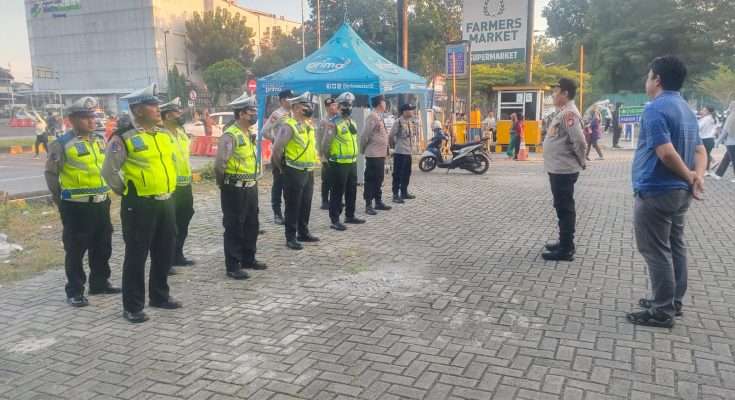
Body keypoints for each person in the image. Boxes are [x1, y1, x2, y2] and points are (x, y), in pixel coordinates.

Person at [626, 56, 706, 328]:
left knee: (655, 250)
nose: (647, 81)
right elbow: (700, 150)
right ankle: (673, 301)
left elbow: (666, 153)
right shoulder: (686, 109)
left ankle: (662, 310)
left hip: (656, 190)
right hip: (681, 194)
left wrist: (689, 175)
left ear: (657, 80)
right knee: (675, 245)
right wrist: (696, 177)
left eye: (649, 76)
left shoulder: (655, 109)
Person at [102, 84, 181, 323]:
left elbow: (171, 163)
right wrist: (128, 191)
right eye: (152, 105)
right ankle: (133, 306)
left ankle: (159, 295)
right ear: (138, 110)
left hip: (165, 200)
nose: (158, 109)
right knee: (137, 256)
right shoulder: (124, 137)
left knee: (164, 251)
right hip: (139, 205)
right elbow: (109, 171)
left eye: (157, 105)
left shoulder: (163, 135)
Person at [44, 97, 119, 307]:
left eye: (92, 116)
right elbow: (51, 174)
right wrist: (61, 201)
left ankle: (100, 282)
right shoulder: (61, 144)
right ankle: (75, 290)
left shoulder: (99, 140)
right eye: (85, 117)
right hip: (76, 206)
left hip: (101, 203)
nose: (91, 121)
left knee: (102, 245)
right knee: (76, 250)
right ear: (72, 120)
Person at [214, 93, 267, 280]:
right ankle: (233, 265)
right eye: (251, 111)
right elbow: (220, 164)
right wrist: (224, 184)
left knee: (252, 225)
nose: (255, 114)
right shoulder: (231, 135)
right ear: (241, 114)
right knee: (234, 226)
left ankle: (248, 258)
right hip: (234, 188)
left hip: (251, 186)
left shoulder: (248, 133)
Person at [542, 78, 587, 262]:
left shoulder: (569, 114)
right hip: (558, 168)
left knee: (565, 208)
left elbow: (580, 141)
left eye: (556, 91)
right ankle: (564, 242)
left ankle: (566, 248)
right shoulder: (563, 112)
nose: (553, 94)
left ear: (565, 93)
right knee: (561, 206)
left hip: (564, 169)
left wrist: (581, 160)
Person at [271, 92, 320, 250]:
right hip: (293, 171)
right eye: (306, 106)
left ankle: (303, 232)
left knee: (306, 203)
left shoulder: (308, 125)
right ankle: (290, 237)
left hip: (308, 170)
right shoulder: (288, 125)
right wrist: (282, 168)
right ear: (297, 108)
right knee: (293, 205)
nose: (309, 108)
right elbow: (277, 149)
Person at [320, 92, 366, 231]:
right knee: (337, 192)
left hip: (351, 162)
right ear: (339, 106)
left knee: (352, 190)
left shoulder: (352, 122)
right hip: (338, 163)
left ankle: (350, 215)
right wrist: (329, 158)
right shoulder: (333, 123)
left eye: (350, 104)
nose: (348, 107)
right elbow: (325, 145)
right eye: (345, 105)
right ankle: (335, 220)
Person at [159, 97, 195, 267]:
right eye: (177, 112)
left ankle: (177, 255)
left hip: (185, 186)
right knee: (168, 226)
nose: (180, 114)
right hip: (170, 188)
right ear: (167, 116)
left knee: (183, 221)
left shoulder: (181, 133)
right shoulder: (160, 135)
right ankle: (165, 261)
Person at [262, 89, 294, 225]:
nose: (291, 101)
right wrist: (275, 140)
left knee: (291, 186)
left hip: (293, 155)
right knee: (279, 184)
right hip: (280, 155)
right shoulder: (277, 114)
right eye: (289, 99)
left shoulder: (294, 113)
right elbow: (264, 131)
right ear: (282, 101)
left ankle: (290, 213)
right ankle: (277, 213)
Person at [361, 95, 392, 215]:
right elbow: (365, 135)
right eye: (384, 102)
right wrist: (363, 149)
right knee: (371, 180)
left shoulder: (379, 116)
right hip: (373, 154)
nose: (385, 104)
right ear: (380, 103)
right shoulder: (372, 116)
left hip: (380, 154)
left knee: (379, 178)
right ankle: (368, 204)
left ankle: (378, 201)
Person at [389, 103, 418, 203]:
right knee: (397, 174)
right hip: (400, 152)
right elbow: (391, 135)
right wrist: (392, 147)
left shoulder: (410, 122)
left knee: (407, 173)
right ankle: (395, 194)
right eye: (410, 110)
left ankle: (404, 192)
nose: (412, 111)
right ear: (404, 112)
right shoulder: (398, 122)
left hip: (408, 152)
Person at [317, 97, 339, 210]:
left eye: (335, 105)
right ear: (327, 108)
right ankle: (325, 201)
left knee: (336, 179)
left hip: (337, 154)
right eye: (332, 106)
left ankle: (335, 199)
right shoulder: (323, 121)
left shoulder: (339, 119)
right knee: (326, 179)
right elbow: (319, 138)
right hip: (327, 154)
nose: (335, 107)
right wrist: (321, 155)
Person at [697, 106, 717, 175]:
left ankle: (705, 170)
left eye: (703, 110)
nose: (702, 111)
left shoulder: (705, 119)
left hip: (704, 139)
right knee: (707, 154)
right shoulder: (713, 118)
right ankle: (707, 169)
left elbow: (698, 127)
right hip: (711, 139)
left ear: (708, 111)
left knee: (704, 155)